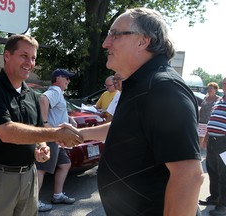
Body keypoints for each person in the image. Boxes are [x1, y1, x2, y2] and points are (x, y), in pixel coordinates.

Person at [64, 7, 204, 215]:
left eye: (115, 34)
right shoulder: (142, 84)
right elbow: (127, 128)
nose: (105, 43)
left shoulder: (162, 87)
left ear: (143, 41)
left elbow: (189, 175)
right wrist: (81, 134)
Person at [0, 34, 83, 216]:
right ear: (7, 56)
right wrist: (56, 135)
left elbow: (39, 128)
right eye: (24, 56)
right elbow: (6, 132)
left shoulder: (32, 94)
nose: (29, 62)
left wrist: (42, 148)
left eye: (33, 58)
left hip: (29, 176)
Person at [36, 69, 76, 212]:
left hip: (57, 139)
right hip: (51, 138)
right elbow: (43, 99)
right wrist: (45, 122)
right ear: (58, 78)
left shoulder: (59, 93)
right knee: (41, 169)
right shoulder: (55, 91)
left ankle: (57, 196)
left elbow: (57, 110)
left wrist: (69, 119)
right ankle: (34, 202)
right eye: (66, 78)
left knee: (65, 164)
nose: (68, 81)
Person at [199, 77, 226, 216]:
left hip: (224, 143)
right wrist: (206, 139)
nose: (224, 85)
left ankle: (223, 206)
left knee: (224, 175)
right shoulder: (219, 102)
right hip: (212, 142)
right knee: (212, 171)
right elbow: (212, 120)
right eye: (224, 83)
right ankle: (214, 198)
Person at [198, 82, 221, 148]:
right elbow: (201, 108)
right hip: (202, 121)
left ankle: (207, 155)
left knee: (207, 140)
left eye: (211, 88)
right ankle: (200, 155)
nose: (209, 89)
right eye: (208, 88)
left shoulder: (218, 99)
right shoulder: (205, 97)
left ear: (215, 90)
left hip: (210, 123)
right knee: (200, 138)